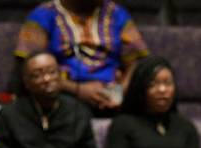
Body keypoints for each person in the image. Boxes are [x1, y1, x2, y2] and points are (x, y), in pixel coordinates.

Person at [15, 0, 149, 112]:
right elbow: (28, 68)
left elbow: (136, 61)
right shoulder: (43, 14)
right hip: (63, 95)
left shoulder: (117, 13)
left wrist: (120, 92)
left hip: (113, 96)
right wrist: (79, 90)